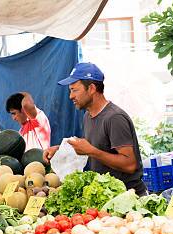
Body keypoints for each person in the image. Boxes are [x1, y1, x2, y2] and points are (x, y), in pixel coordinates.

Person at [45, 62, 146, 195]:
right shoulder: (88, 116)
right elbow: (96, 146)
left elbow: (130, 164)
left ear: (92, 88)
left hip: (128, 198)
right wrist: (61, 149)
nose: (71, 96)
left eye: (74, 90)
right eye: (70, 91)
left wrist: (92, 151)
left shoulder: (115, 118)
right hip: (106, 197)